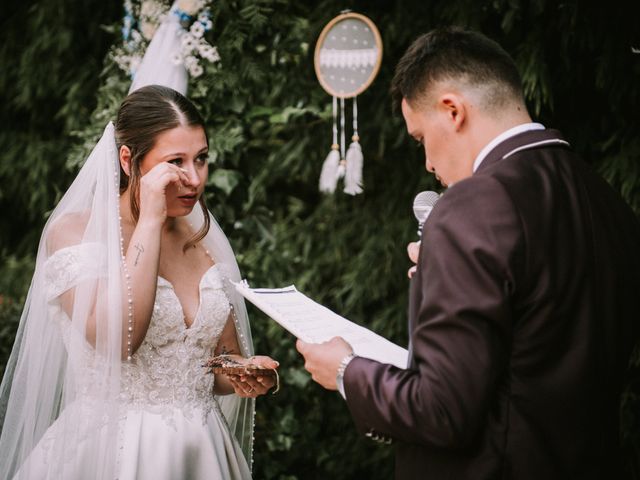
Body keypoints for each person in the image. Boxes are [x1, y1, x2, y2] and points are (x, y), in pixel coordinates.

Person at [297, 27, 640, 479]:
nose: (428, 165)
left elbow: (443, 411)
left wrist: (346, 370)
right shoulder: (604, 197)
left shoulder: (471, 207)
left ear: (453, 110)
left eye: (421, 140)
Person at [0, 84, 277, 479]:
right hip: (113, 453)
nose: (194, 179)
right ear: (129, 160)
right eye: (175, 161)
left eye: (201, 159)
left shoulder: (201, 240)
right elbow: (119, 341)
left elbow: (218, 358)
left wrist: (243, 371)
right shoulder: (75, 234)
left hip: (203, 454)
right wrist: (149, 219)